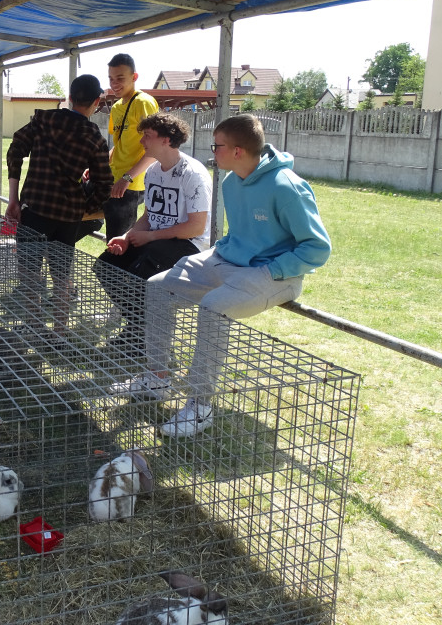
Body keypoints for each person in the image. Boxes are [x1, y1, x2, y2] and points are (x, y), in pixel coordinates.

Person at [147, 114, 331, 438]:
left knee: (214, 306)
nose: (211, 153)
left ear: (237, 152)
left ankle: (200, 406)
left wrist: (272, 270)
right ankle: (158, 376)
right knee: (157, 287)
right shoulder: (231, 182)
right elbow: (243, 232)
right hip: (228, 260)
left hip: (275, 274)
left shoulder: (287, 187)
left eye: (216, 146)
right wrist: (222, 250)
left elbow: (317, 248)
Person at [98, 113, 212, 396]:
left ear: (166, 139)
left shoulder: (192, 173)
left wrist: (149, 237)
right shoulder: (153, 172)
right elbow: (150, 215)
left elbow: (196, 226)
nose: (141, 141)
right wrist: (127, 237)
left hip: (187, 244)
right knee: (106, 266)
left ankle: (147, 344)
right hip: (155, 239)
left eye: (146, 136)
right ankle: (138, 329)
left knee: (140, 273)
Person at [5, 74, 113, 333]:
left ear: (71, 97)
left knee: (30, 273)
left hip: (35, 207)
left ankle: (34, 325)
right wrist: (86, 206)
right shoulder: (93, 136)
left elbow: (15, 150)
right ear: (96, 102)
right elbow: (104, 184)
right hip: (68, 215)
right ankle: (60, 331)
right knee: (62, 275)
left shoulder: (44, 120)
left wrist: (13, 199)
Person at [104, 53, 158, 240]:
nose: (114, 84)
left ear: (134, 77)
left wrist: (127, 178)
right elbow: (119, 145)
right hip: (114, 179)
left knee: (119, 243)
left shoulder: (144, 103)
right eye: (111, 79)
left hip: (132, 183)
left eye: (120, 78)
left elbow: (155, 149)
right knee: (111, 237)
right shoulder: (117, 106)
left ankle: (115, 269)